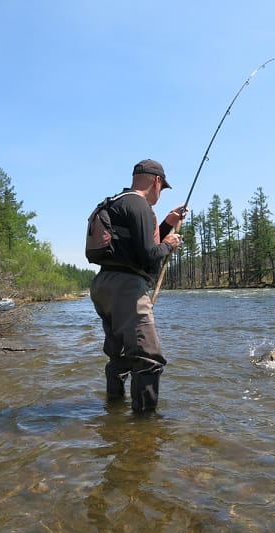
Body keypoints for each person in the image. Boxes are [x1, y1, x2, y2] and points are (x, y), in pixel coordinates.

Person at [89, 159, 185, 413]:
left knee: (119, 358)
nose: (159, 194)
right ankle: (145, 430)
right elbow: (148, 255)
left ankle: (115, 414)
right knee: (148, 360)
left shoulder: (118, 201)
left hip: (104, 286)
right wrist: (170, 245)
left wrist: (166, 224)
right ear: (156, 181)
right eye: (162, 188)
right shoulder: (139, 204)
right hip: (126, 288)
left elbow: (132, 245)